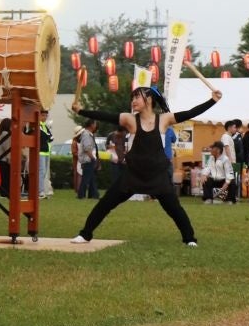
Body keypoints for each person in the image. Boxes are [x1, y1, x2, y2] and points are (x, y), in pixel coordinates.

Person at [70, 64, 221, 245]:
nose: (133, 101)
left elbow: (190, 113)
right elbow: (105, 115)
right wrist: (81, 110)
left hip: (157, 174)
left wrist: (212, 101)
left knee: (174, 209)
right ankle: (85, 234)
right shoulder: (129, 119)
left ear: (149, 99)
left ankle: (189, 239)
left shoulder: (164, 119)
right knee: (106, 203)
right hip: (133, 174)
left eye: (137, 97)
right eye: (133, 97)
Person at [76, 119, 99, 198]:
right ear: (91, 125)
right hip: (88, 159)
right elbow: (87, 148)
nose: (96, 125)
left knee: (92, 178)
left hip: (89, 159)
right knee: (86, 178)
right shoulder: (86, 134)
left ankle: (94, 195)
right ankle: (81, 195)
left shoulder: (89, 134)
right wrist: (92, 158)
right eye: (95, 123)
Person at [38, 111, 53, 198]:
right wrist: (48, 136)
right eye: (43, 115)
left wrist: (48, 136)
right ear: (39, 115)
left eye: (46, 116)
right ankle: (40, 191)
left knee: (44, 172)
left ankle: (42, 190)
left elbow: (51, 137)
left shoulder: (45, 126)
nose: (45, 117)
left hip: (46, 151)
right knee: (41, 171)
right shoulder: (37, 125)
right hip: (40, 152)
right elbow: (46, 136)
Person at [0, 116, 13, 197]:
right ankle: (5, 193)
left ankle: (3, 192)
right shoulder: (6, 134)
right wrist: (9, 159)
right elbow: (7, 148)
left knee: (4, 177)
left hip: (1, 159)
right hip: (5, 160)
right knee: (6, 177)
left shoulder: (1, 134)